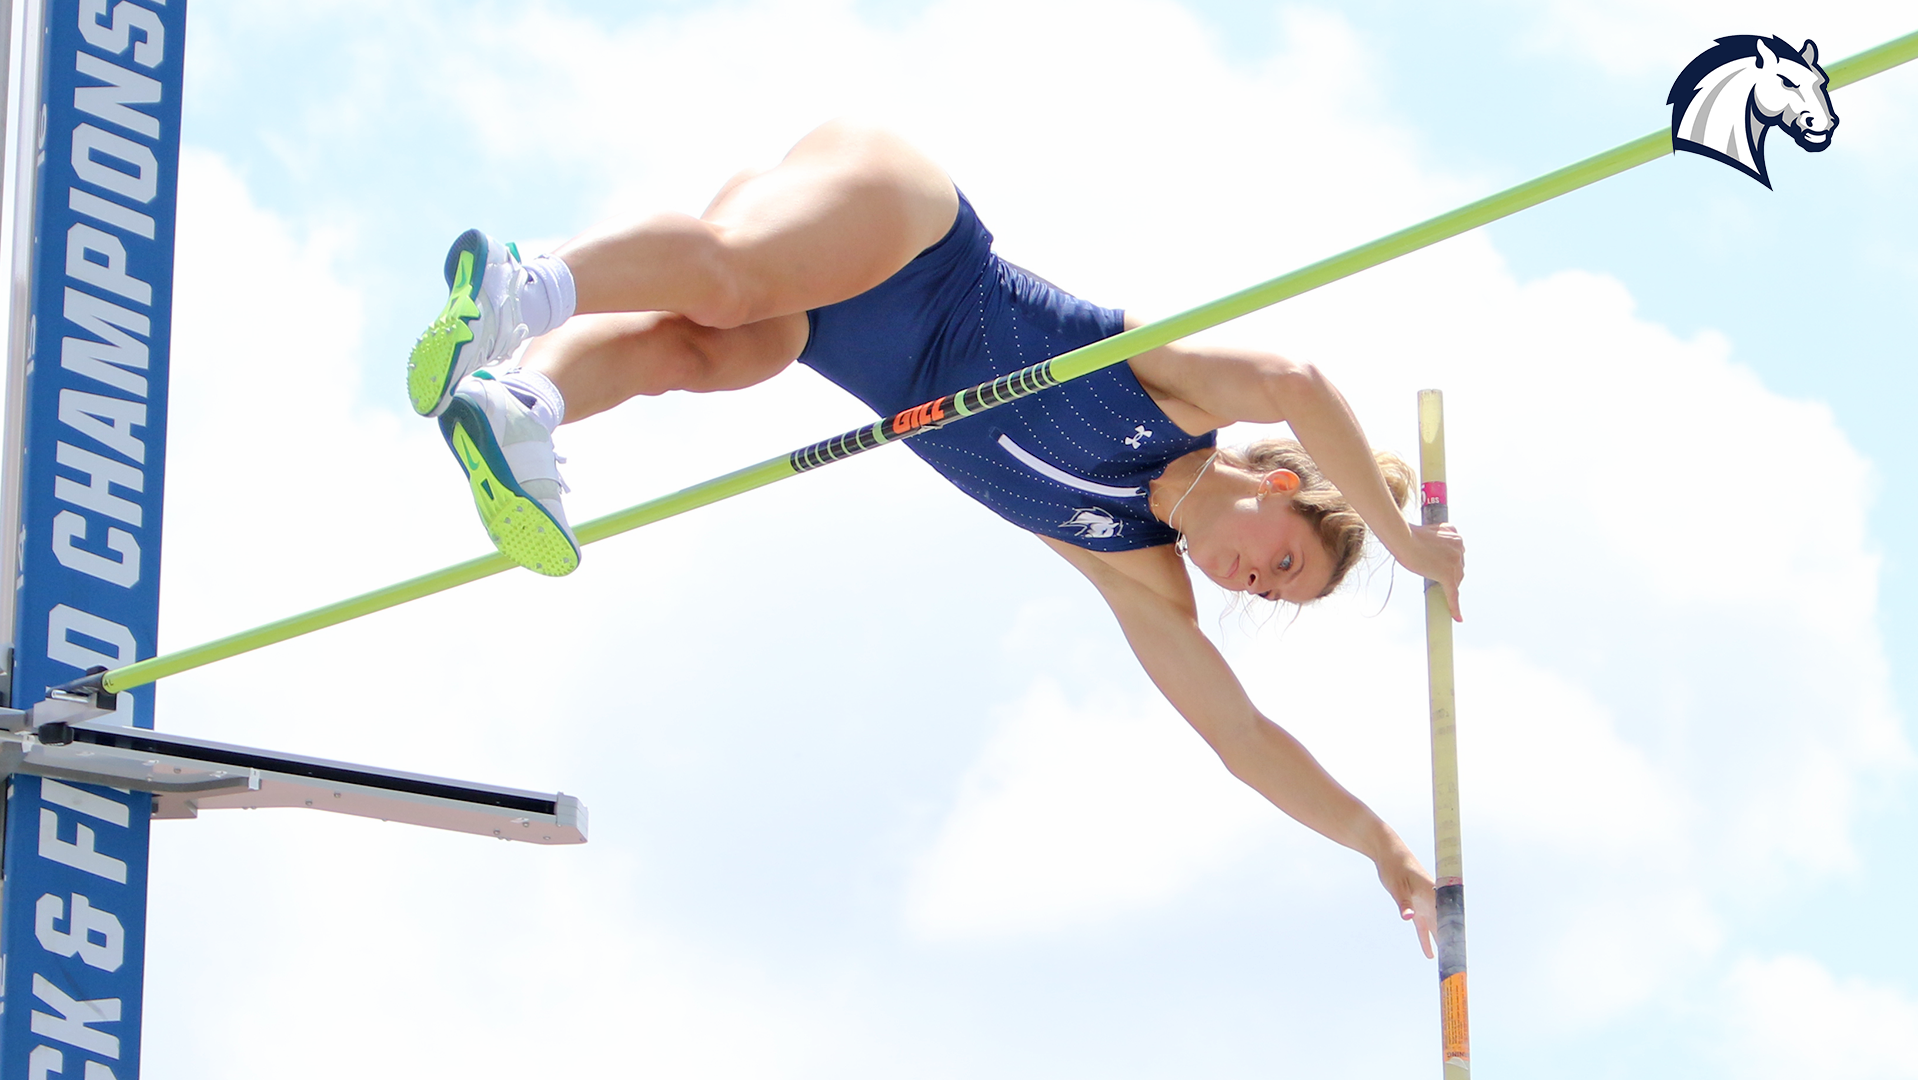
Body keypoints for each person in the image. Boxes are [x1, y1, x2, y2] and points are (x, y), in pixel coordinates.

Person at [404, 120, 1466, 954]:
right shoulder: (1181, 401)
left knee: (702, 351)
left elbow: (1243, 740)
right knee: (726, 279)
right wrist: (1407, 546)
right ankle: (518, 279)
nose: (1254, 581)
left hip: (828, 330)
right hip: (905, 231)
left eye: (1272, 595)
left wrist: (1380, 845)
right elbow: (1297, 379)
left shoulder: (1132, 564)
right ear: (1281, 483)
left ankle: (520, 405)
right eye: (1284, 559)